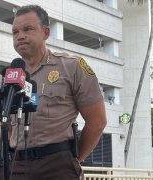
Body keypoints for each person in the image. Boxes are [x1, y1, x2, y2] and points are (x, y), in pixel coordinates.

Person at [9, 5, 107, 180]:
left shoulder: (72, 67)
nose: (20, 36)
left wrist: (75, 158)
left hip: (58, 164)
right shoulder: (11, 76)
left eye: (28, 29)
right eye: (15, 32)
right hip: (18, 165)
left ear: (46, 33)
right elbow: (9, 125)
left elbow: (97, 122)